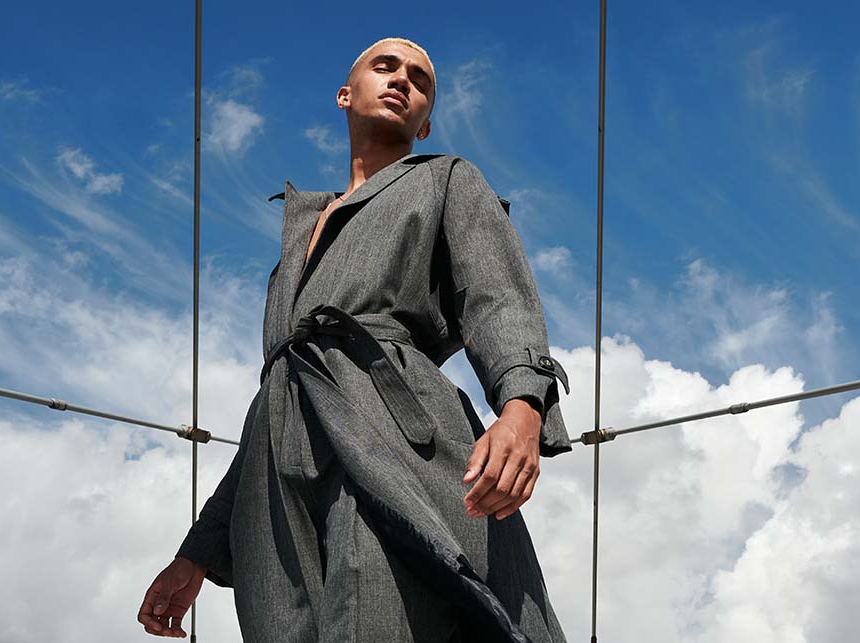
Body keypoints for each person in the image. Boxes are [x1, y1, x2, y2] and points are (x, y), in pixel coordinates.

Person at [138, 36, 571, 643]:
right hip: (277, 480)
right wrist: (200, 551)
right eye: (384, 67)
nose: (401, 81)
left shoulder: (447, 179)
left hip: (392, 435)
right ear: (346, 94)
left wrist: (523, 405)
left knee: (386, 615)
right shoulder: (300, 233)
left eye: (420, 81)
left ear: (424, 125)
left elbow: (496, 296)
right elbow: (280, 397)